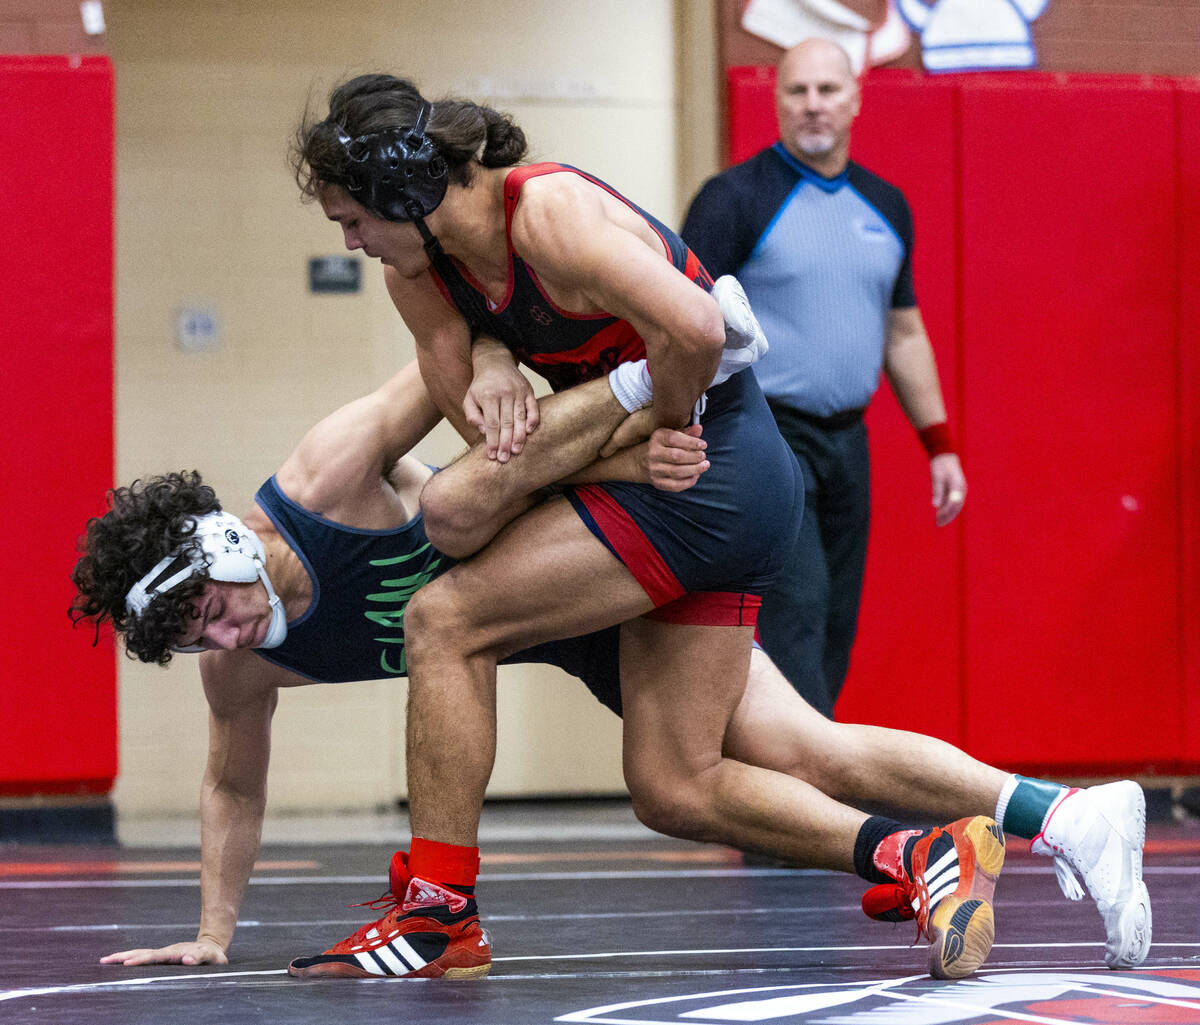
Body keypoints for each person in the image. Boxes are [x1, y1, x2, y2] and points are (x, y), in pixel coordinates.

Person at [280, 73, 1146, 982]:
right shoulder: (418, 275)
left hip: (710, 465)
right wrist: (501, 359)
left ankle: (441, 911)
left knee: (444, 617)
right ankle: (1022, 828)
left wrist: (661, 424)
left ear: (409, 197)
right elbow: (500, 450)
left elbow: (700, 327)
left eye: (354, 219)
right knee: (682, 781)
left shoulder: (546, 216)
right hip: (662, 471)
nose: (350, 240)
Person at [72, 362, 1150, 979]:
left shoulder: (325, 475)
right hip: (576, 618)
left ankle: (443, 906)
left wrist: (503, 389)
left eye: (211, 612)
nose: (220, 641)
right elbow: (232, 781)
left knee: (636, 753)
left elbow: (448, 365)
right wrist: (213, 934)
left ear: (221, 549)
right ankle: (1054, 818)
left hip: (604, 555)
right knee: (795, 747)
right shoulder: (242, 667)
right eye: (192, 644)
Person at [681, 37, 967, 718]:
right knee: (797, 612)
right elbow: (682, 320)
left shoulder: (886, 206)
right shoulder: (734, 199)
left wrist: (941, 443)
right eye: (797, 91)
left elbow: (903, 332)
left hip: (847, 443)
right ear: (776, 100)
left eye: (827, 90)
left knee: (837, 619)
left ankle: (796, 779)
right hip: (761, 438)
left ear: (856, 98)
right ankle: (813, 796)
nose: (813, 105)